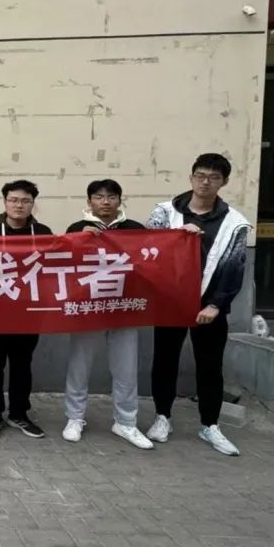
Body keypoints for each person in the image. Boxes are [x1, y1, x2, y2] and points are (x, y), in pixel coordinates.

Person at [145, 153, 251, 456]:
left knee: (210, 366)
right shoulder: (165, 212)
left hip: (209, 305)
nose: (206, 182)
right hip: (171, 301)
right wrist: (176, 235)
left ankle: (210, 425)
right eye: (201, 175)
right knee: (164, 360)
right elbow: (148, 247)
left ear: (224, 182)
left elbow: (234, 266)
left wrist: (216, 305)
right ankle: (162, 417)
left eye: (214, 178)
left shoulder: (235, 222)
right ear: (191, 177)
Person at [61, 180, 153, 449]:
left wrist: (185, 235)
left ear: (119, 200)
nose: (105, 202)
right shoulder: (77, 228)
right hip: (88, 307)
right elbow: (64, 263)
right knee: (79, 365)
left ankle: (126, 422)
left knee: (126, 368)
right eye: (99, 197)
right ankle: (74, 417)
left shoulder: (134, 229)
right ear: (89, 201)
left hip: (124, 307)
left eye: (111, 197)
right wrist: (78, 240)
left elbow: (151, 261)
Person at [0, 180, 52, 440]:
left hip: (28, 311)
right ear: (5, 202)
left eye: (25, 201)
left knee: (22, 364)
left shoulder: (42, 232)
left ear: (33, 204)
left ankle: (19, 413)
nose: (19, 205)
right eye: (14, 200)